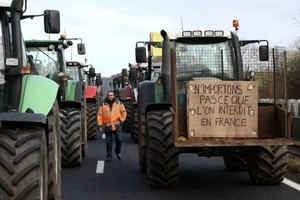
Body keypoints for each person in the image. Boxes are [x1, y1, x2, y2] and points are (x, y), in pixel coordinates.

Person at [97, 90, 126, 162]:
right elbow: (99, 115)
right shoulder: (103, 105)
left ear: (113, 95)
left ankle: (117, 152)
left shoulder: (119, 103)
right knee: (108, 142)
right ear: (107, 96)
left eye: (111, 95)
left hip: (117, 125)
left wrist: (122, 120)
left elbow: (124, 113)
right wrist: (100, 125)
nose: (110, 97)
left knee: (119, 140)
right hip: (108, 126)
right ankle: (109, 156)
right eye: (109, 95)